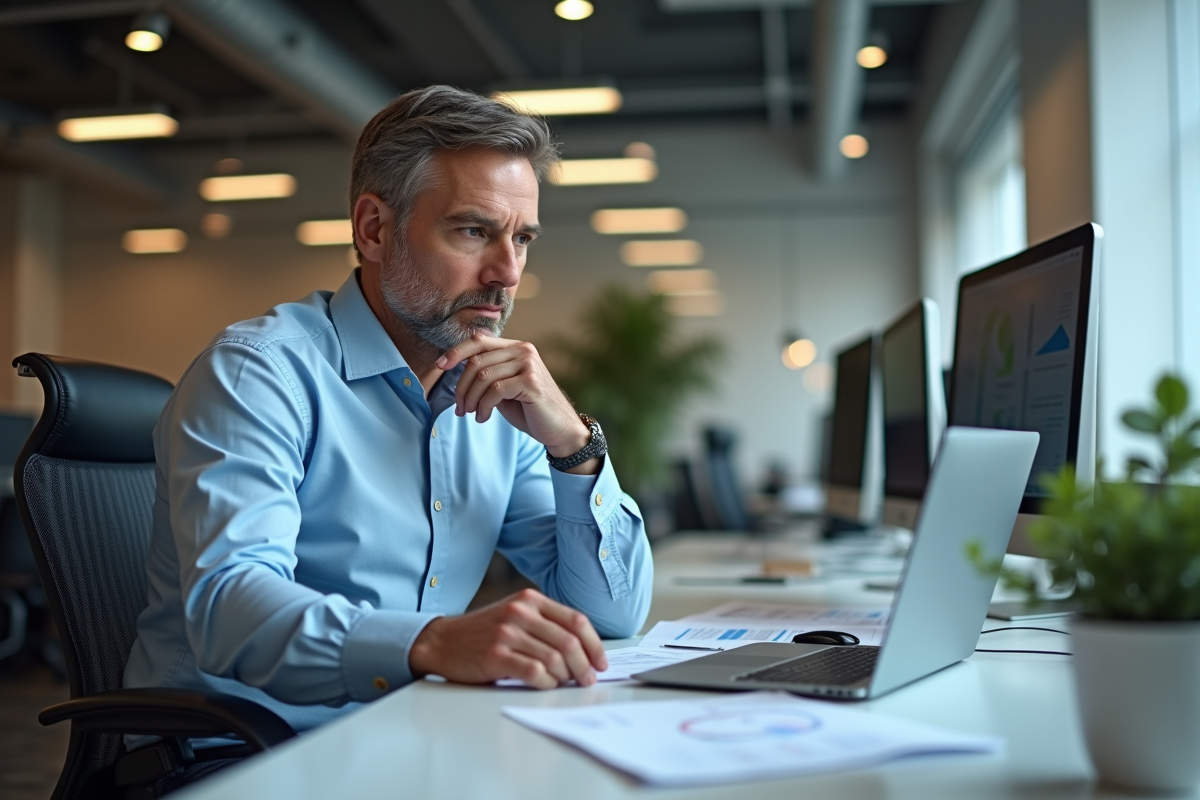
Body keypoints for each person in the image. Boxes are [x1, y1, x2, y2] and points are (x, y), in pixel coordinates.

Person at [123, 86, 654, 741]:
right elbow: (231, 611)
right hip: (238, 755)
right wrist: (434, 642)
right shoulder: (258, 374)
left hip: (406, 736)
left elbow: (613, 614)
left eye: (522, 238)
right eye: (474, 231)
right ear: (374, 229)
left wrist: (573, 443)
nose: (508, 272)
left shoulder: (497, 399)